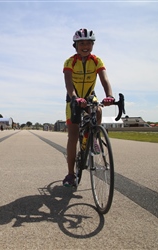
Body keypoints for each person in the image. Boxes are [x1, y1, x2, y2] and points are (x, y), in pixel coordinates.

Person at [62, 28, 115, 187]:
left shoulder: (97, 61)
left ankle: (93, 137)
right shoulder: (69, 62)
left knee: (97, 109)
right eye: (81, 43)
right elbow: (68, 84)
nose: (85, 46)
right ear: (75, 45)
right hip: (73, 98)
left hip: (90, 96)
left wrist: (109, 95)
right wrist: (75, 98)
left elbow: (104, 79)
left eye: (88, 43)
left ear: (92, 45)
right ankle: (71, 174)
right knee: (72, 136)